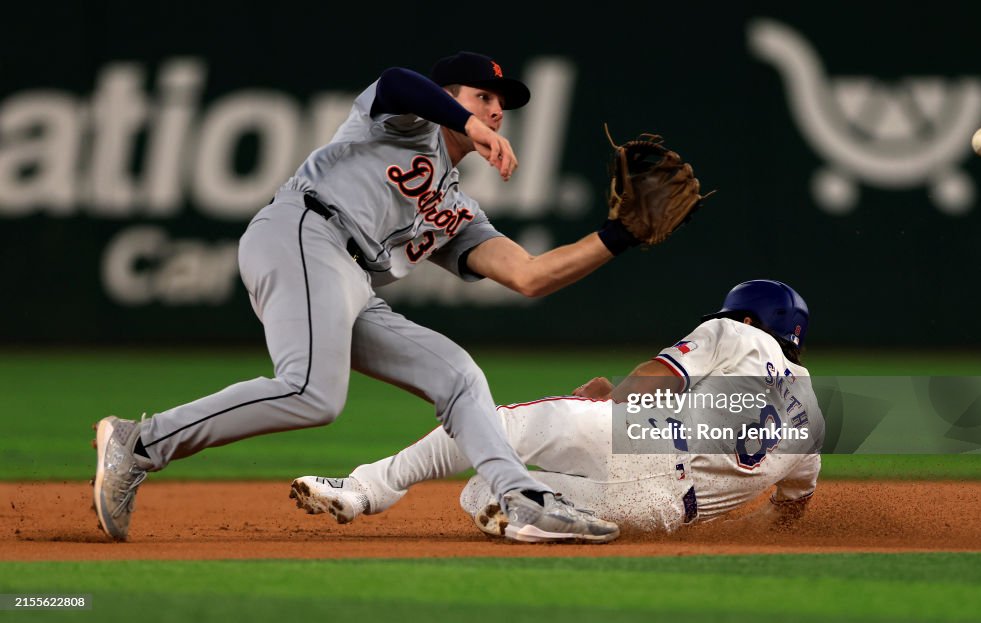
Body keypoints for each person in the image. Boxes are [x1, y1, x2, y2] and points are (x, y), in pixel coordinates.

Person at [92, 51, 654, 543]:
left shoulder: (456, 209)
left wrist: (620, 237)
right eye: (483, 96)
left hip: (350, 281)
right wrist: (464, 122)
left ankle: (523, 502)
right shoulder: (407, 123)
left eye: (501, 103)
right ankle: (138, 443)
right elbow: (397, 80)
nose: (496, 110)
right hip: (305, 230)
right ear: (449, 98)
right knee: (313, 393)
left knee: (458, 376)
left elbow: (531, 275)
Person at [289, 280, 824, 536]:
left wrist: (607, 401)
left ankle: (364, 489)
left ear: (751, 320)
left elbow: (659, 377)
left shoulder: (735, 333)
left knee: (493, 424)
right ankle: (548, 525)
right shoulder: (814, 419)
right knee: (487, 492)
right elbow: (793, 507)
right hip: (659, 512)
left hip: (641, 444)